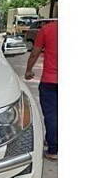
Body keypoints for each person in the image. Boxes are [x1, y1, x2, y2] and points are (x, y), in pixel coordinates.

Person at [25, 20, 58, 160]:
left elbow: (35, 53)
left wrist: (28, 71)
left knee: (51, 115)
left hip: (51, 80)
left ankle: (54, 150)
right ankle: (52, 139)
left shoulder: (47, 29)